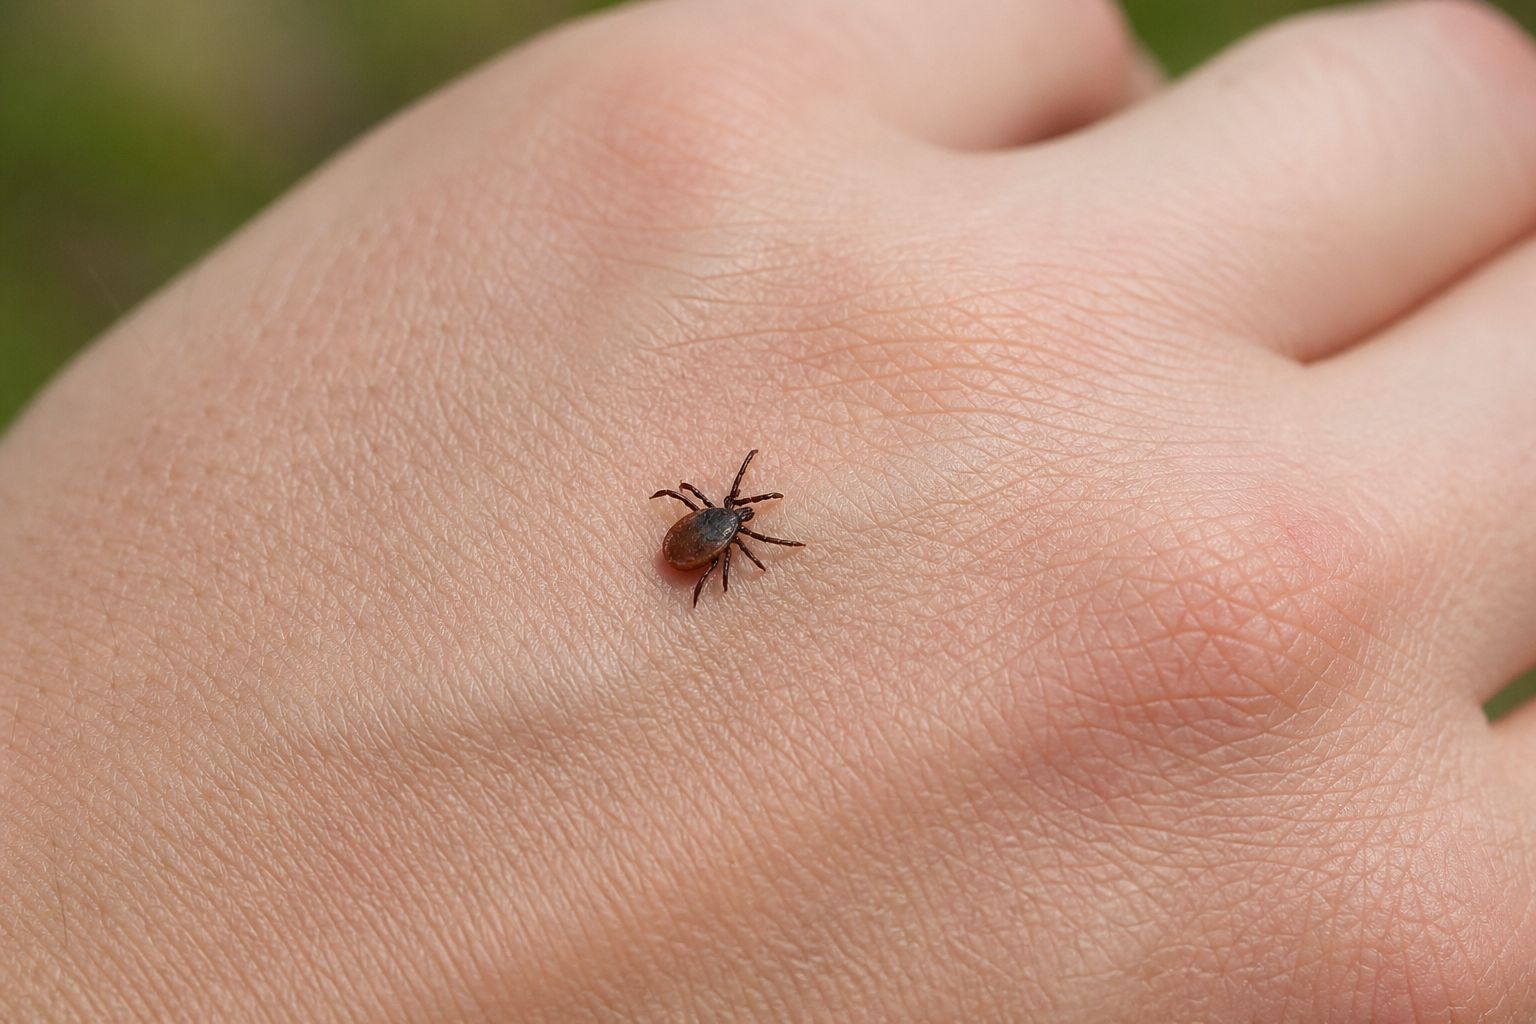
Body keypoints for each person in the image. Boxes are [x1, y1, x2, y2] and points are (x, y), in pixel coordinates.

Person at [4, 0, 1535, 1019]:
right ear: (717, 522)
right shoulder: (725, 540)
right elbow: (713, 540)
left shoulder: (713, 539)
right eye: (725, 517)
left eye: (729, 521)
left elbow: (703, 537)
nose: (724, 526)